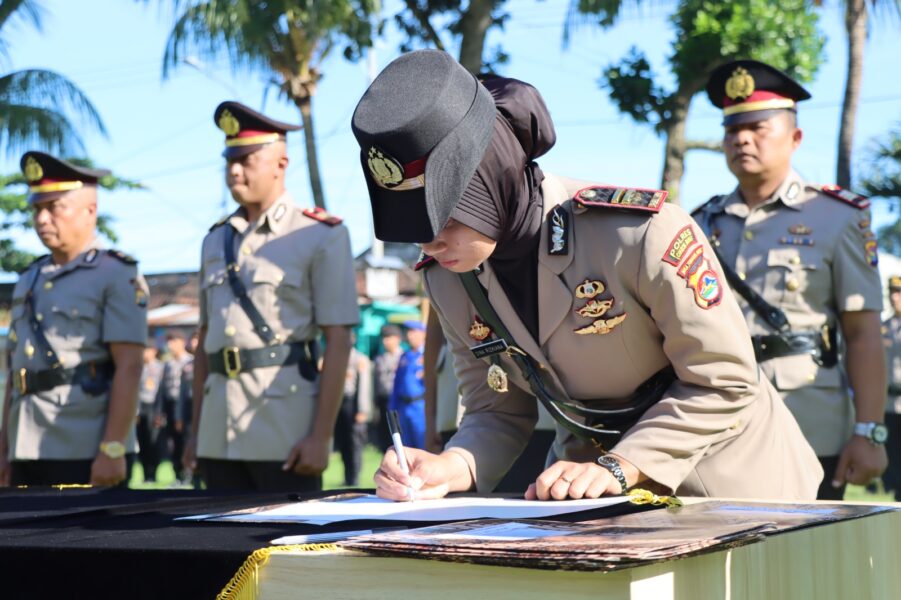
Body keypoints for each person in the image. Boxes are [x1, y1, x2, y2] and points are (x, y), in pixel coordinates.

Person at [353, 50, 821, 502]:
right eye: (413, 225)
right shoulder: (449, 278)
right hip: (592, 497)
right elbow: (496, 409)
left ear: (490, 181)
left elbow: (725, 379)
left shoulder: (637, 234)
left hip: (739, 484)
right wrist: (452, 465)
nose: (429, 243)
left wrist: (621, 466)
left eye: (445, 216)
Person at [692, 60, 888, 500]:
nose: (741, 138)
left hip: (807, 421)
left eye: (758, 127)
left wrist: (870, 432)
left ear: (795, 138)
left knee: (810, 562)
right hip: (716, 427)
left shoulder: (837, 219)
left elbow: (862, 334)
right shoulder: (699, 223)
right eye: (732, 130)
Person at [184, 101, 359, 492]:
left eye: (246, 159)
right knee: (212, 547)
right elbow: (204, 341)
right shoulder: (215, 240)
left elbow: (339, 339)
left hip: (285, 429)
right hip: (217, 429)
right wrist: (197, 431)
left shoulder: (320, 235)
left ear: (281, 163)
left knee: (278, 547)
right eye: (229, 159)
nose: (233, 169)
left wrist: (320, 436)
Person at [0, 152, 147, 487]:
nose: (42, 218)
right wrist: (4, 449)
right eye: (37, 208)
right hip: (26, 444)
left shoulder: (115, 274)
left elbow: (130, 367)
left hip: (83, 444)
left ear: (89, 211)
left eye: (54, 207)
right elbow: (15, 371)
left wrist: (112, 449)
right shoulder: (30, 278)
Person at [334, 332, 372, 486]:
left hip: (353, 403)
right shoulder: (335, 358)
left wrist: (363, 409)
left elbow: (364, 386)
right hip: (339, 403)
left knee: (354, 443)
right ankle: (347, 476)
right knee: (343, 442)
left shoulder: (359, 359)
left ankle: (354, 477)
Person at [157, 332, 193, 482]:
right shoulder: (168, 364)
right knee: (172, 442)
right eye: (168, 342)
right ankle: (177, 474)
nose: (170, 345)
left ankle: (188, 475)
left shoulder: (190, 362)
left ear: (181, 342)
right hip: (170, 407)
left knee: (186, 441)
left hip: (186, 406)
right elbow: (162, 390)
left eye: (173, 341)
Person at [388, 321, 427, 450]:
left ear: (423, 333)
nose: (410, 335)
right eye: (408, 332)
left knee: (423, 447)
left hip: (420, 407)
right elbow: (397, 384)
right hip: (404, 407)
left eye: (413, 331)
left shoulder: (427, 355)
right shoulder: (405, 357)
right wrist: (392, 408)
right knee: (405, 448)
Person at [882, 276, 901, 500]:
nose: (894, 297)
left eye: (898, 292)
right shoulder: (882, 328)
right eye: (892, 292)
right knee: (893, 461)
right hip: (888, 406)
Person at [135, 342, 164, 483]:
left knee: (154, 441)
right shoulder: (139, 367)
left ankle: (153, 473)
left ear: (154, 350)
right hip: (141, 409)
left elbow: (162, 392)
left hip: (154, 407)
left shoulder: (161, 367)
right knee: (142, 442)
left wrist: (160, 413)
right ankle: (145, 473)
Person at [372, 324, 403, 450]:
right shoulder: (379, 359)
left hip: (400, 402)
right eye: (384, 338)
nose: (386, 341)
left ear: (398, 339)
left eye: (389, 337)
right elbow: (375, 384)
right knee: (385, 440)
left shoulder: (404, 357)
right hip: (383, 401)